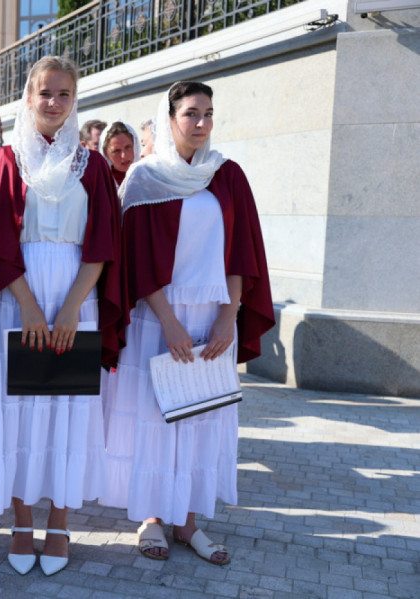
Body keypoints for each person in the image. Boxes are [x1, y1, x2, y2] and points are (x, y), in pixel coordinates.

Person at [101, 81, 274, 566]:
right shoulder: (144, 177)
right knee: (157, 418)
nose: (201, 123)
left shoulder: (227, 174)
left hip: (214, 314)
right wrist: (169, 322)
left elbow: (243, 252)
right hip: (157, 316)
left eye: (208, 113)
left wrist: (228, 317)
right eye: (191, 113)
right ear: (170, 117)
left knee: (201, 417)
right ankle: (153, 517)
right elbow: (135, 257)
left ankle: (189, 521)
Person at [0, 57, 124, 577]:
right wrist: (29, 306)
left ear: (74, 99)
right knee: (17, 409)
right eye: (45, 93)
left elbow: (103, 242)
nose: (54, 103)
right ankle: (20, 522)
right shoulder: (6, 161)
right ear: (29, 97)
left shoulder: (92, 164)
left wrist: (73, 306)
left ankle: (58, 522)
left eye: (63, 94)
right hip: (19, 296)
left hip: (77, 296)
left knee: (65, 408)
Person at [100, 121, 139, 188]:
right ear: (106, 154)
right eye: (116, 151)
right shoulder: (102, 183)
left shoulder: (148, 176)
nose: (124, 156)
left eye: (128, 147)